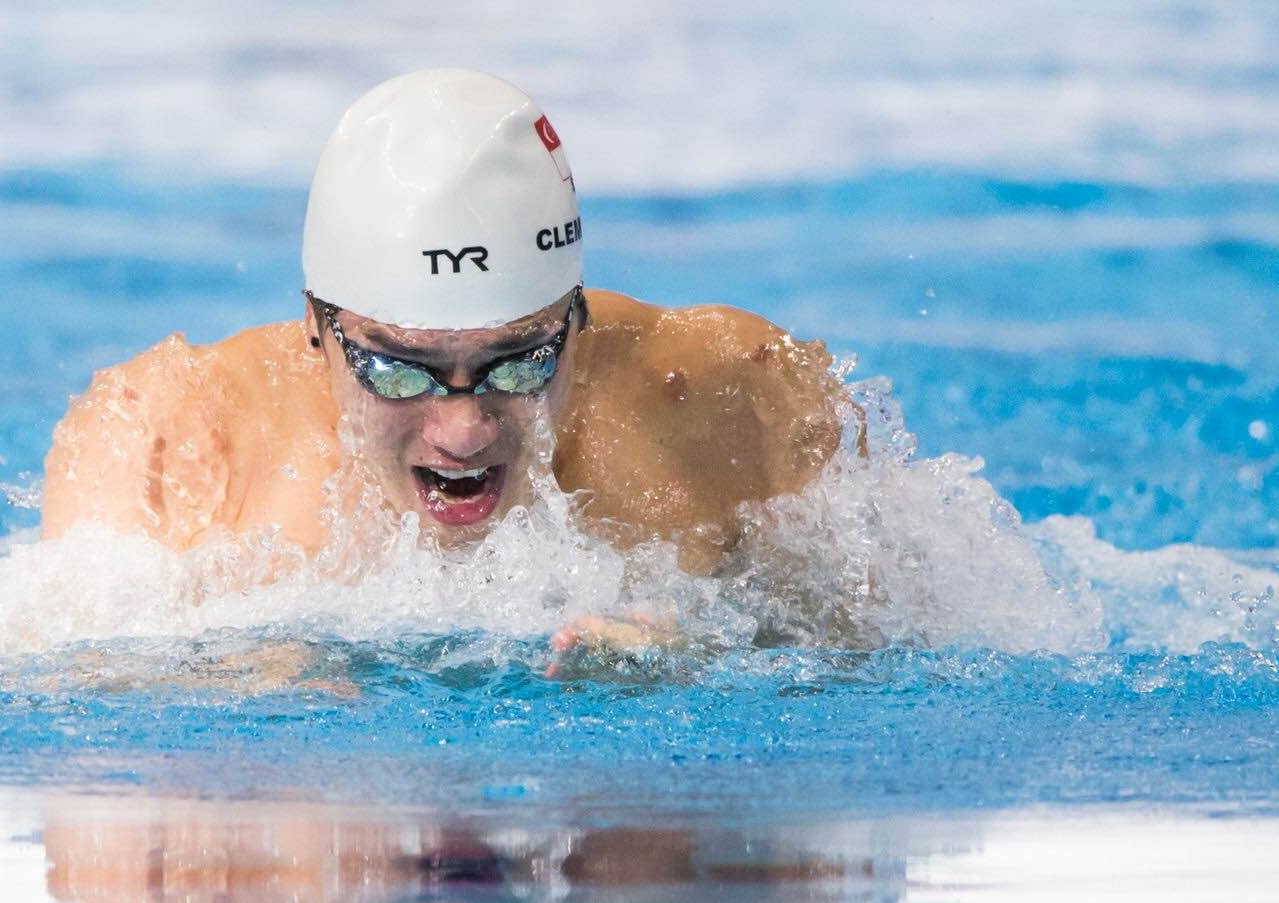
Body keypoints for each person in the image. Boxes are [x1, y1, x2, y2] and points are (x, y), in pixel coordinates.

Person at [42, 69, 858, 663]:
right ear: (317, 328)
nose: (463, 432)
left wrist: (707, 655)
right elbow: (67, 708)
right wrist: (237, 685)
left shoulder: (740, 406)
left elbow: (885, 632)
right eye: (400, 371)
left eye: (520, 361)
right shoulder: (169, 450)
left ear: (576, 323)